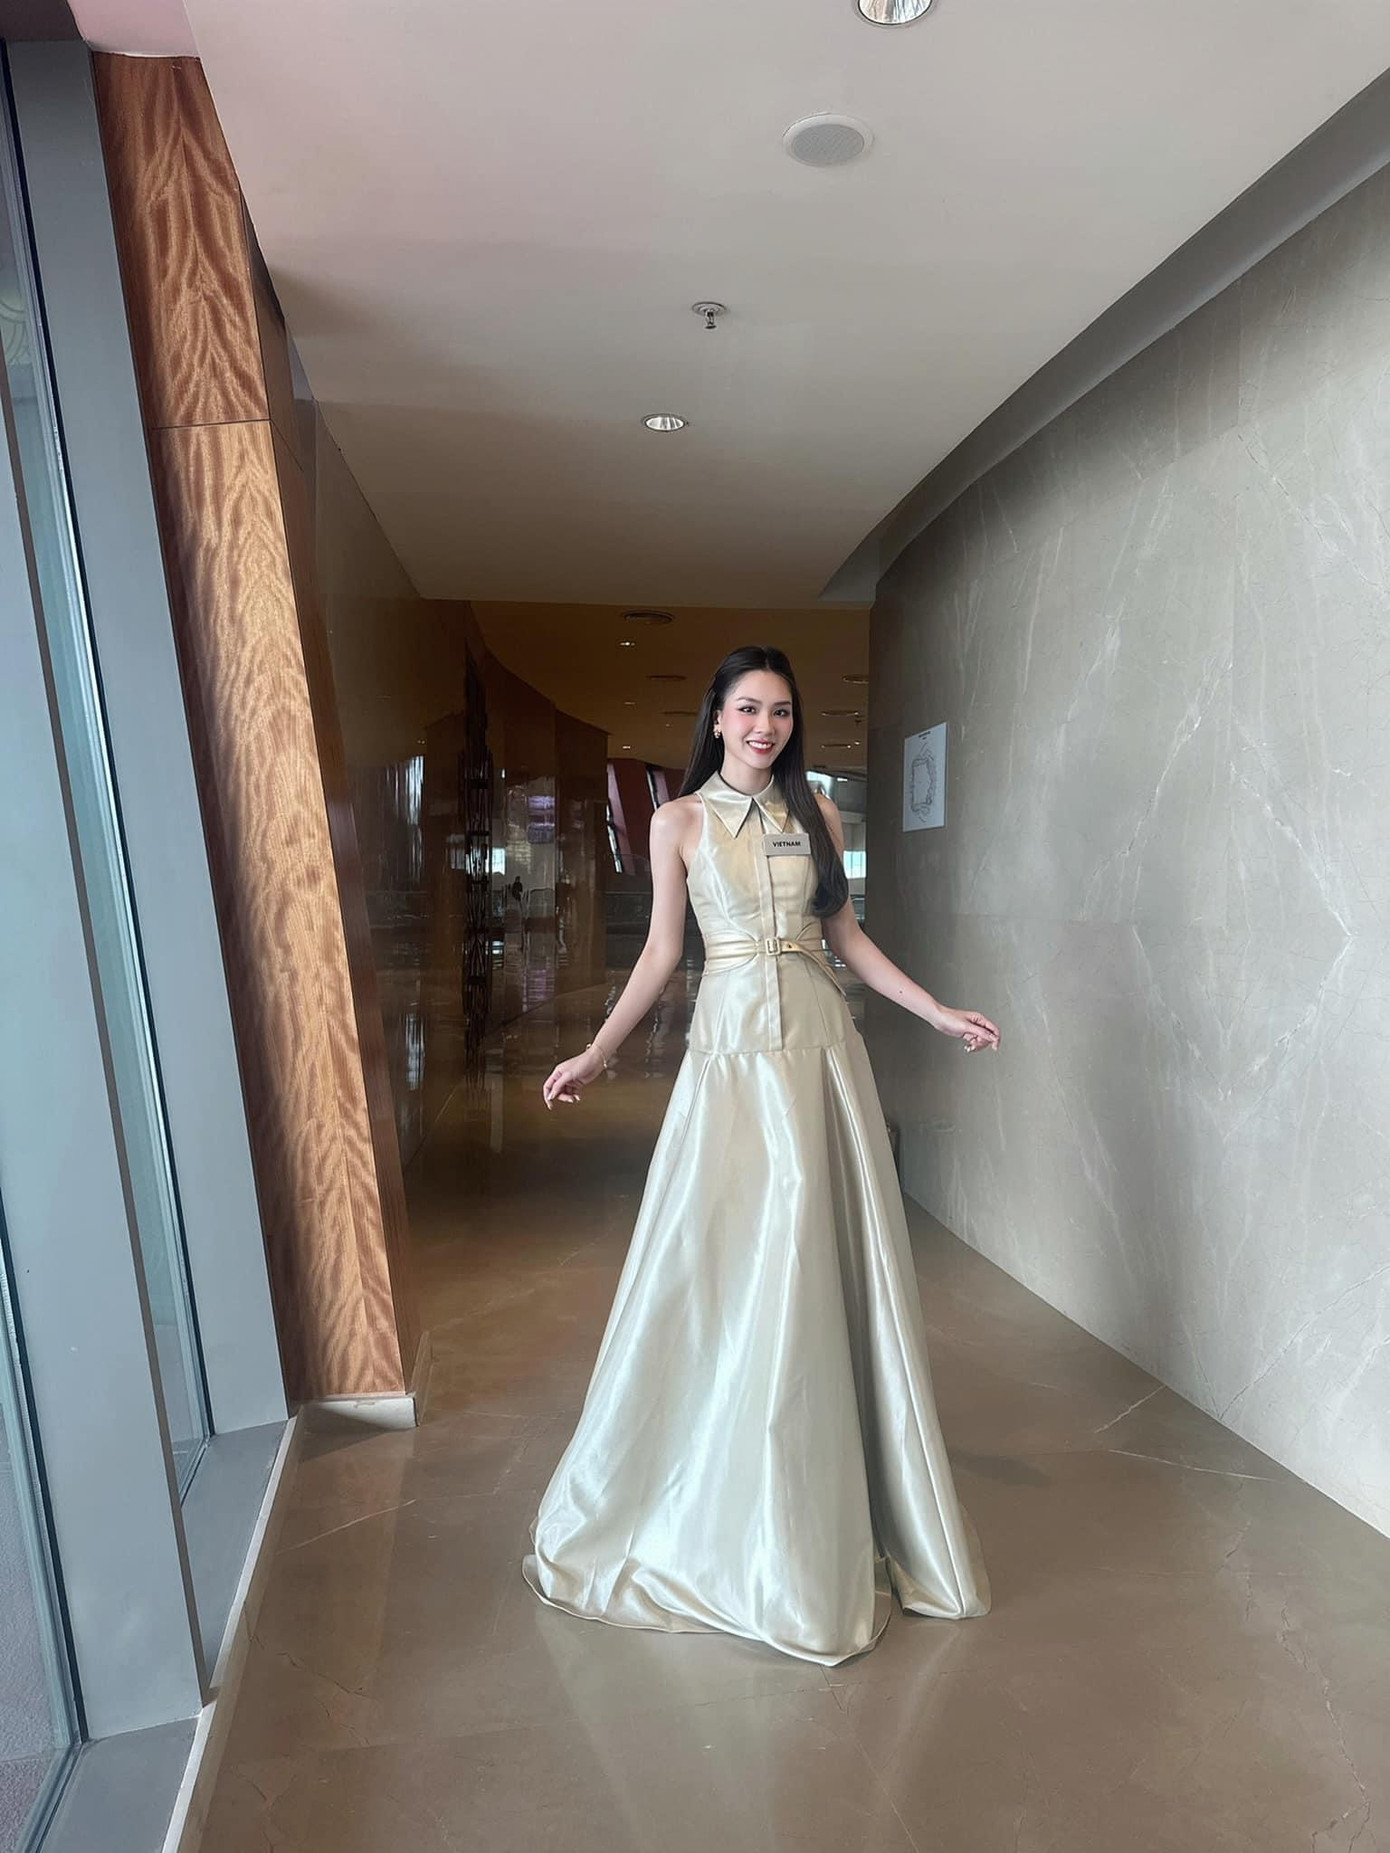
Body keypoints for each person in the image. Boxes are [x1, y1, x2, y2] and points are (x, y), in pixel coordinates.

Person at [522, 645, 999, 1665]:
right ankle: (721, 1480)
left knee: (816, 1250)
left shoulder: (816, 813)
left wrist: (935, 1011)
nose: (764, 726)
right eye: (747, 708)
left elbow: (848, 940)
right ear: (718, 716)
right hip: (733, 1056)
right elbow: (662, 952)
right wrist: (597, 1052)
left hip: (821, 1050)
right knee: (726, 1255)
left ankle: (825, 1489)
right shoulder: (678, 821)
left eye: (780, 711)